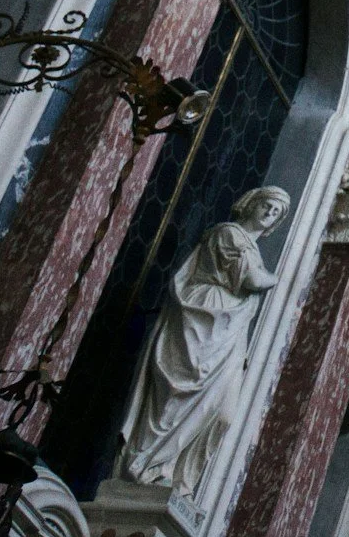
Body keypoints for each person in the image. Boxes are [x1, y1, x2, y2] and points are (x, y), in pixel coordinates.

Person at [117, 186, 294, 496]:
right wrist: (278, 277)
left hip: (229, 332)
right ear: (251, 203)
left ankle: (177, 479)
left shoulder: (252, 251)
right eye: (267, 205)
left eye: (276, 212)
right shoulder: (229, 234)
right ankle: (148, 467)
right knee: (178, 395)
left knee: (224, 415)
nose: (270, 213)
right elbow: (253, 280)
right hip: (204, 318)